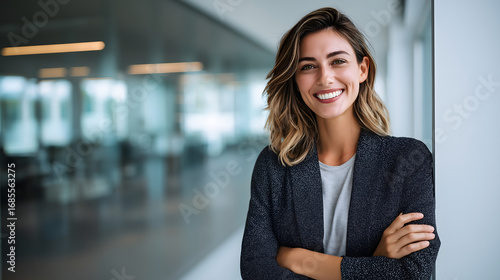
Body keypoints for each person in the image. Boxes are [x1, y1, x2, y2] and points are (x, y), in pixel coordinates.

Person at [240, 7, 440, 280]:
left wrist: (299, 259)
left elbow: (413, 272)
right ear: (296, 80)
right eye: (308, 66)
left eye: (337, 61)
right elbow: (256, 270)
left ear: (362, 69)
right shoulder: (274, 165)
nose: (324, 78)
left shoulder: (408, 158)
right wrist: (375, 263)